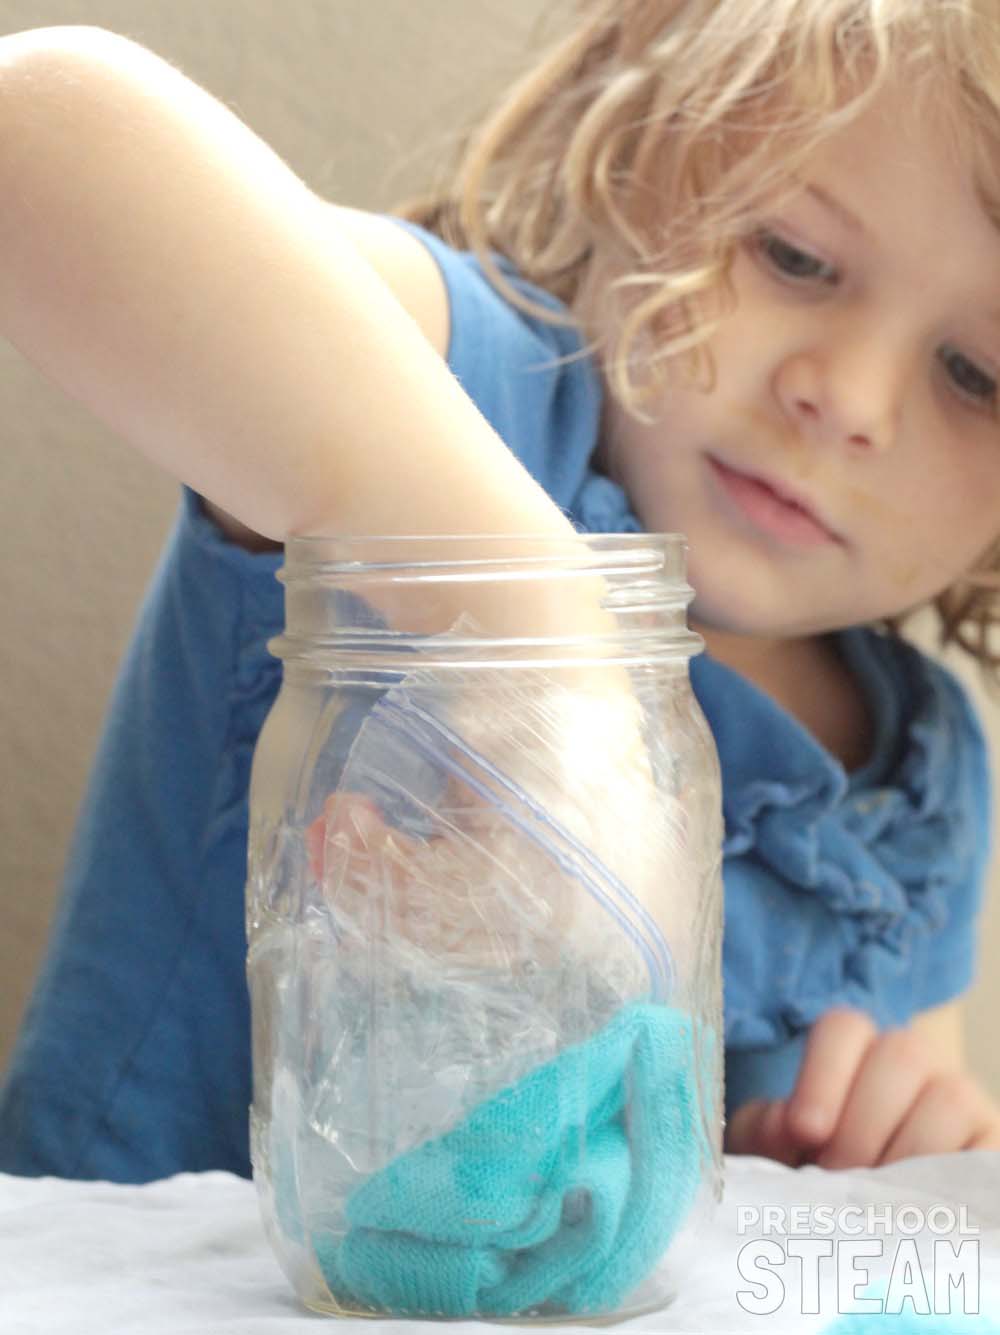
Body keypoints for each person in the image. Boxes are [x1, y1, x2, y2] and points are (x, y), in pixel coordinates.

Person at [1, 0, 999, 1183]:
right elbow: (37, 129)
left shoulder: (923, 779)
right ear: (637, 144)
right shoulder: (460, 395)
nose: (847, 397)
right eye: (791, 256)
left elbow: (876, 1137)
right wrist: (544, 639)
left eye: (974, 374)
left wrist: (892, 1146)